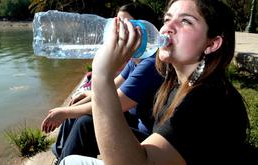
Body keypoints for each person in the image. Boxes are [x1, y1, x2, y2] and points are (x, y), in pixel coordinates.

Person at [59, 0, 250, 164]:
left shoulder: (207, 99)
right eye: (167, 19)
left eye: (185, 21)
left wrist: (102, 75)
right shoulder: (175, 82)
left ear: (212, 44)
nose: (167, 27)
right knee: (71, 159)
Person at [41, 2, 164, 164]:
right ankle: (61, 157)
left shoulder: (150, 63)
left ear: (143, 28)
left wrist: (64, 112)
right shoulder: (136, 58)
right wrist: (82, 97)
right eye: (117, 24)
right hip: (134, 120)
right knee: (75, 111)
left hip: (147, 136)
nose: (118, 31)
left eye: (125, 25)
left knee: (85, 123)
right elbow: (112, 88)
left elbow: (116, 102)